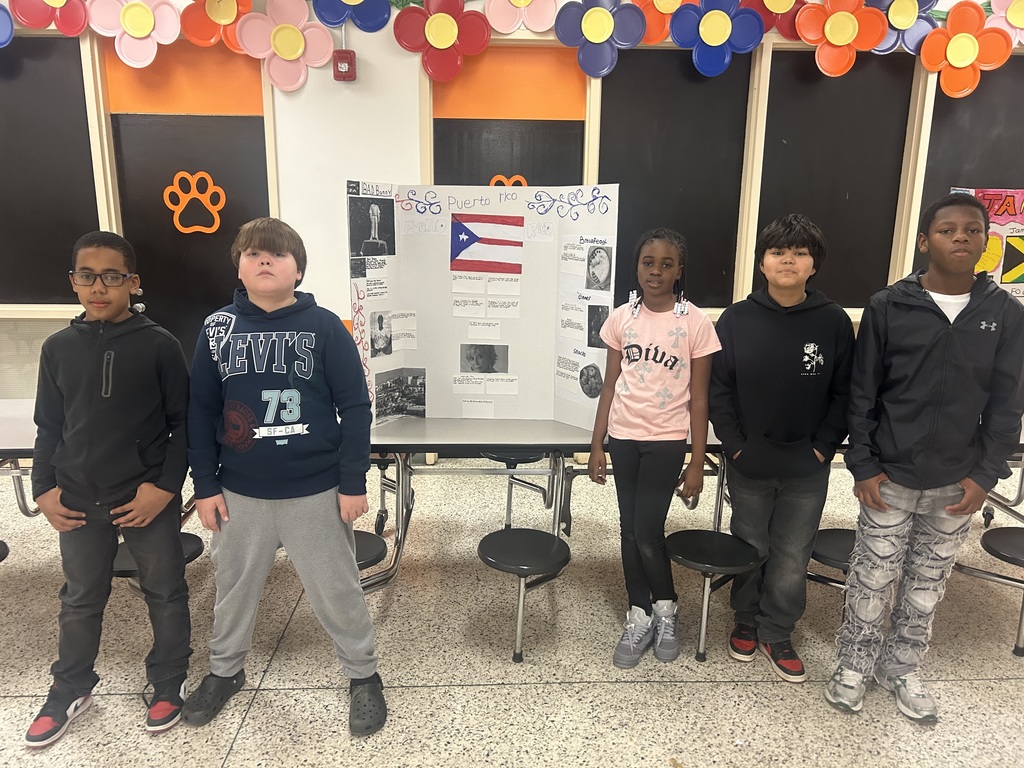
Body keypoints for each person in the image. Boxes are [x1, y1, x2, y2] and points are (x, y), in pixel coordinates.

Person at [183, 218, 387, 736]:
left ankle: (363, 676)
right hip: (239, 492)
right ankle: (225, 671)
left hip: (315, 489)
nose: (264, 261)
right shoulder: (217, 328)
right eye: (252, 254)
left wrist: (352, 481)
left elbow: (356, 408)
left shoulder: (325, 327)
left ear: (298, 268)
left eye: (276, 254)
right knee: (232, 588)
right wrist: (204, 486)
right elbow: (201, 410)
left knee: (337, 588)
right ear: (239, 266)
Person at [826, 193, 1024, 722]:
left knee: (926, 585)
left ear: (987, 240)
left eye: (972, 230)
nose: (961, 237)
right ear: (924, 241)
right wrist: (863, 464)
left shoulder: (1004, 314)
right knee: (871, 579)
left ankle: (902, 668)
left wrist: (985, 475)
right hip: (889, 475)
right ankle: (854, 665)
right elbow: (862, 393)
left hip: (957, 482)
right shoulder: (890, 306)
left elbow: (1008, 404)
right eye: (947, 229)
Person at [26, 231, 191, 747]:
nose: (99, 286)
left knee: (164, 590)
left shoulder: (160, 345)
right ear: (73, 281)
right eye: (87, 275)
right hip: (75, 499)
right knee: (79, 598)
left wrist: (164, 489)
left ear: (132, 282)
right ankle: (70, 687)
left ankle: (168, 679)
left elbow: (183, 426)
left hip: (142, 498)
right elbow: (48, 428)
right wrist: (44, 489)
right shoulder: (57, 349)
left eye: (112, 276)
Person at [710, 214, 853, 683]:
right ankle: (746, 621)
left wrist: (822, 449)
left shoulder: (833, 322)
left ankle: (777, 631)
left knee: (793, 552)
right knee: (749, 544)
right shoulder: (736, 319)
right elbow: (719, 390)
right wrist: (734, 448)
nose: (787, 259)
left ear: (814, 265)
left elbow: (844, 393)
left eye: (799, 252)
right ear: (761, 263)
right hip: (749, 461)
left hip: (806, 466)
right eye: (777, 252)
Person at [588, 227, 721, 668]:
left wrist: (697, 460)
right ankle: (638, 612)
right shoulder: (621, 318)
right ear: (637, 266)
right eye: (648, 262)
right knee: (629, 529)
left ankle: (666, 607)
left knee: (646, 531)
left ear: (680, 270)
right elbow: (610, 384)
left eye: (667, 264)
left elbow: (700, 398)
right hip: (624, 438)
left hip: (666, 442)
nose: (656, 271)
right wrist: (596, 444)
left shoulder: (695, 323)